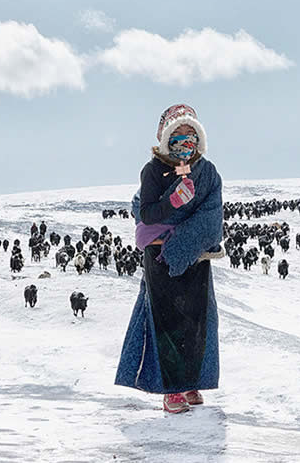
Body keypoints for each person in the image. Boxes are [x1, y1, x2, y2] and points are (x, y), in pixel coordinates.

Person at [115, 103, 225, 414]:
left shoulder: (208, 172)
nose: (185, 141)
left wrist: (184, 240)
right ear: (165, 137)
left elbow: (212, 214)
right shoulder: (152, 171)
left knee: (197, 320)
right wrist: (173, 202)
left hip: (194, 253)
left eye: (191, 135)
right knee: (167, 320)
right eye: (177, 134)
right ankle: (170, 390)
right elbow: (146, 213)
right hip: (161, 254)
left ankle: (191, 382)